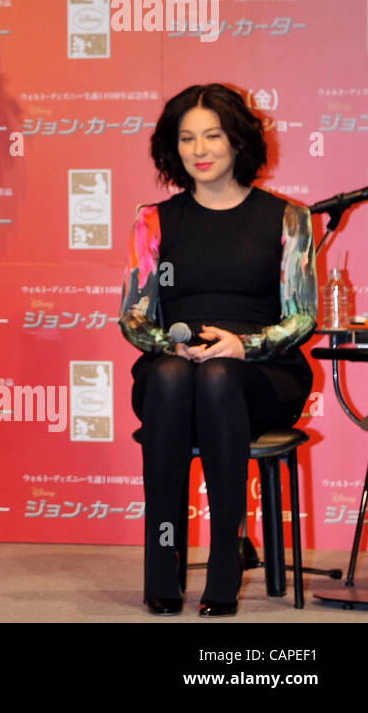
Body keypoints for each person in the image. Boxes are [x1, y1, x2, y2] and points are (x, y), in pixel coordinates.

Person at [119, 84, 315, 617]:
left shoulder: (288, 217)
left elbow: (302, 315)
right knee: (169, 377)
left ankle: (226, 562)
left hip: (262, 371)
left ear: (238, 142)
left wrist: (243, 346)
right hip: (177, 362)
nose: (198, 149)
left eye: (212, 135)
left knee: (219, 377)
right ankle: (163, 566)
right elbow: (134, 314)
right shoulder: (154, 219)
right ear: (171, 147)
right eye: (186, 138)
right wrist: (171, 346)